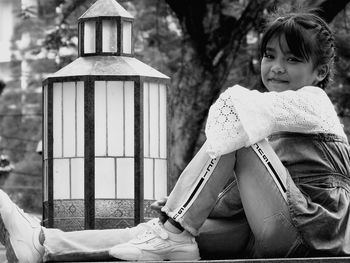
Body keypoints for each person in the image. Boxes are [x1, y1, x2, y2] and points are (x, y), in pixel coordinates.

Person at [1, 8, 350, 263]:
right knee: (149, 234)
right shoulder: (271, 127)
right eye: (269, 55)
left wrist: (180, 209)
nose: (275, 67)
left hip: (310, 233)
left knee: (236, 125)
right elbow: (243, 196)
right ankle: (45, 243)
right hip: (264, 230)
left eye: (291, 59)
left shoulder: (314, 104)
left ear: (319, 72)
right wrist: (179, 210)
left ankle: (174, 230)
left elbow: (236, 111)